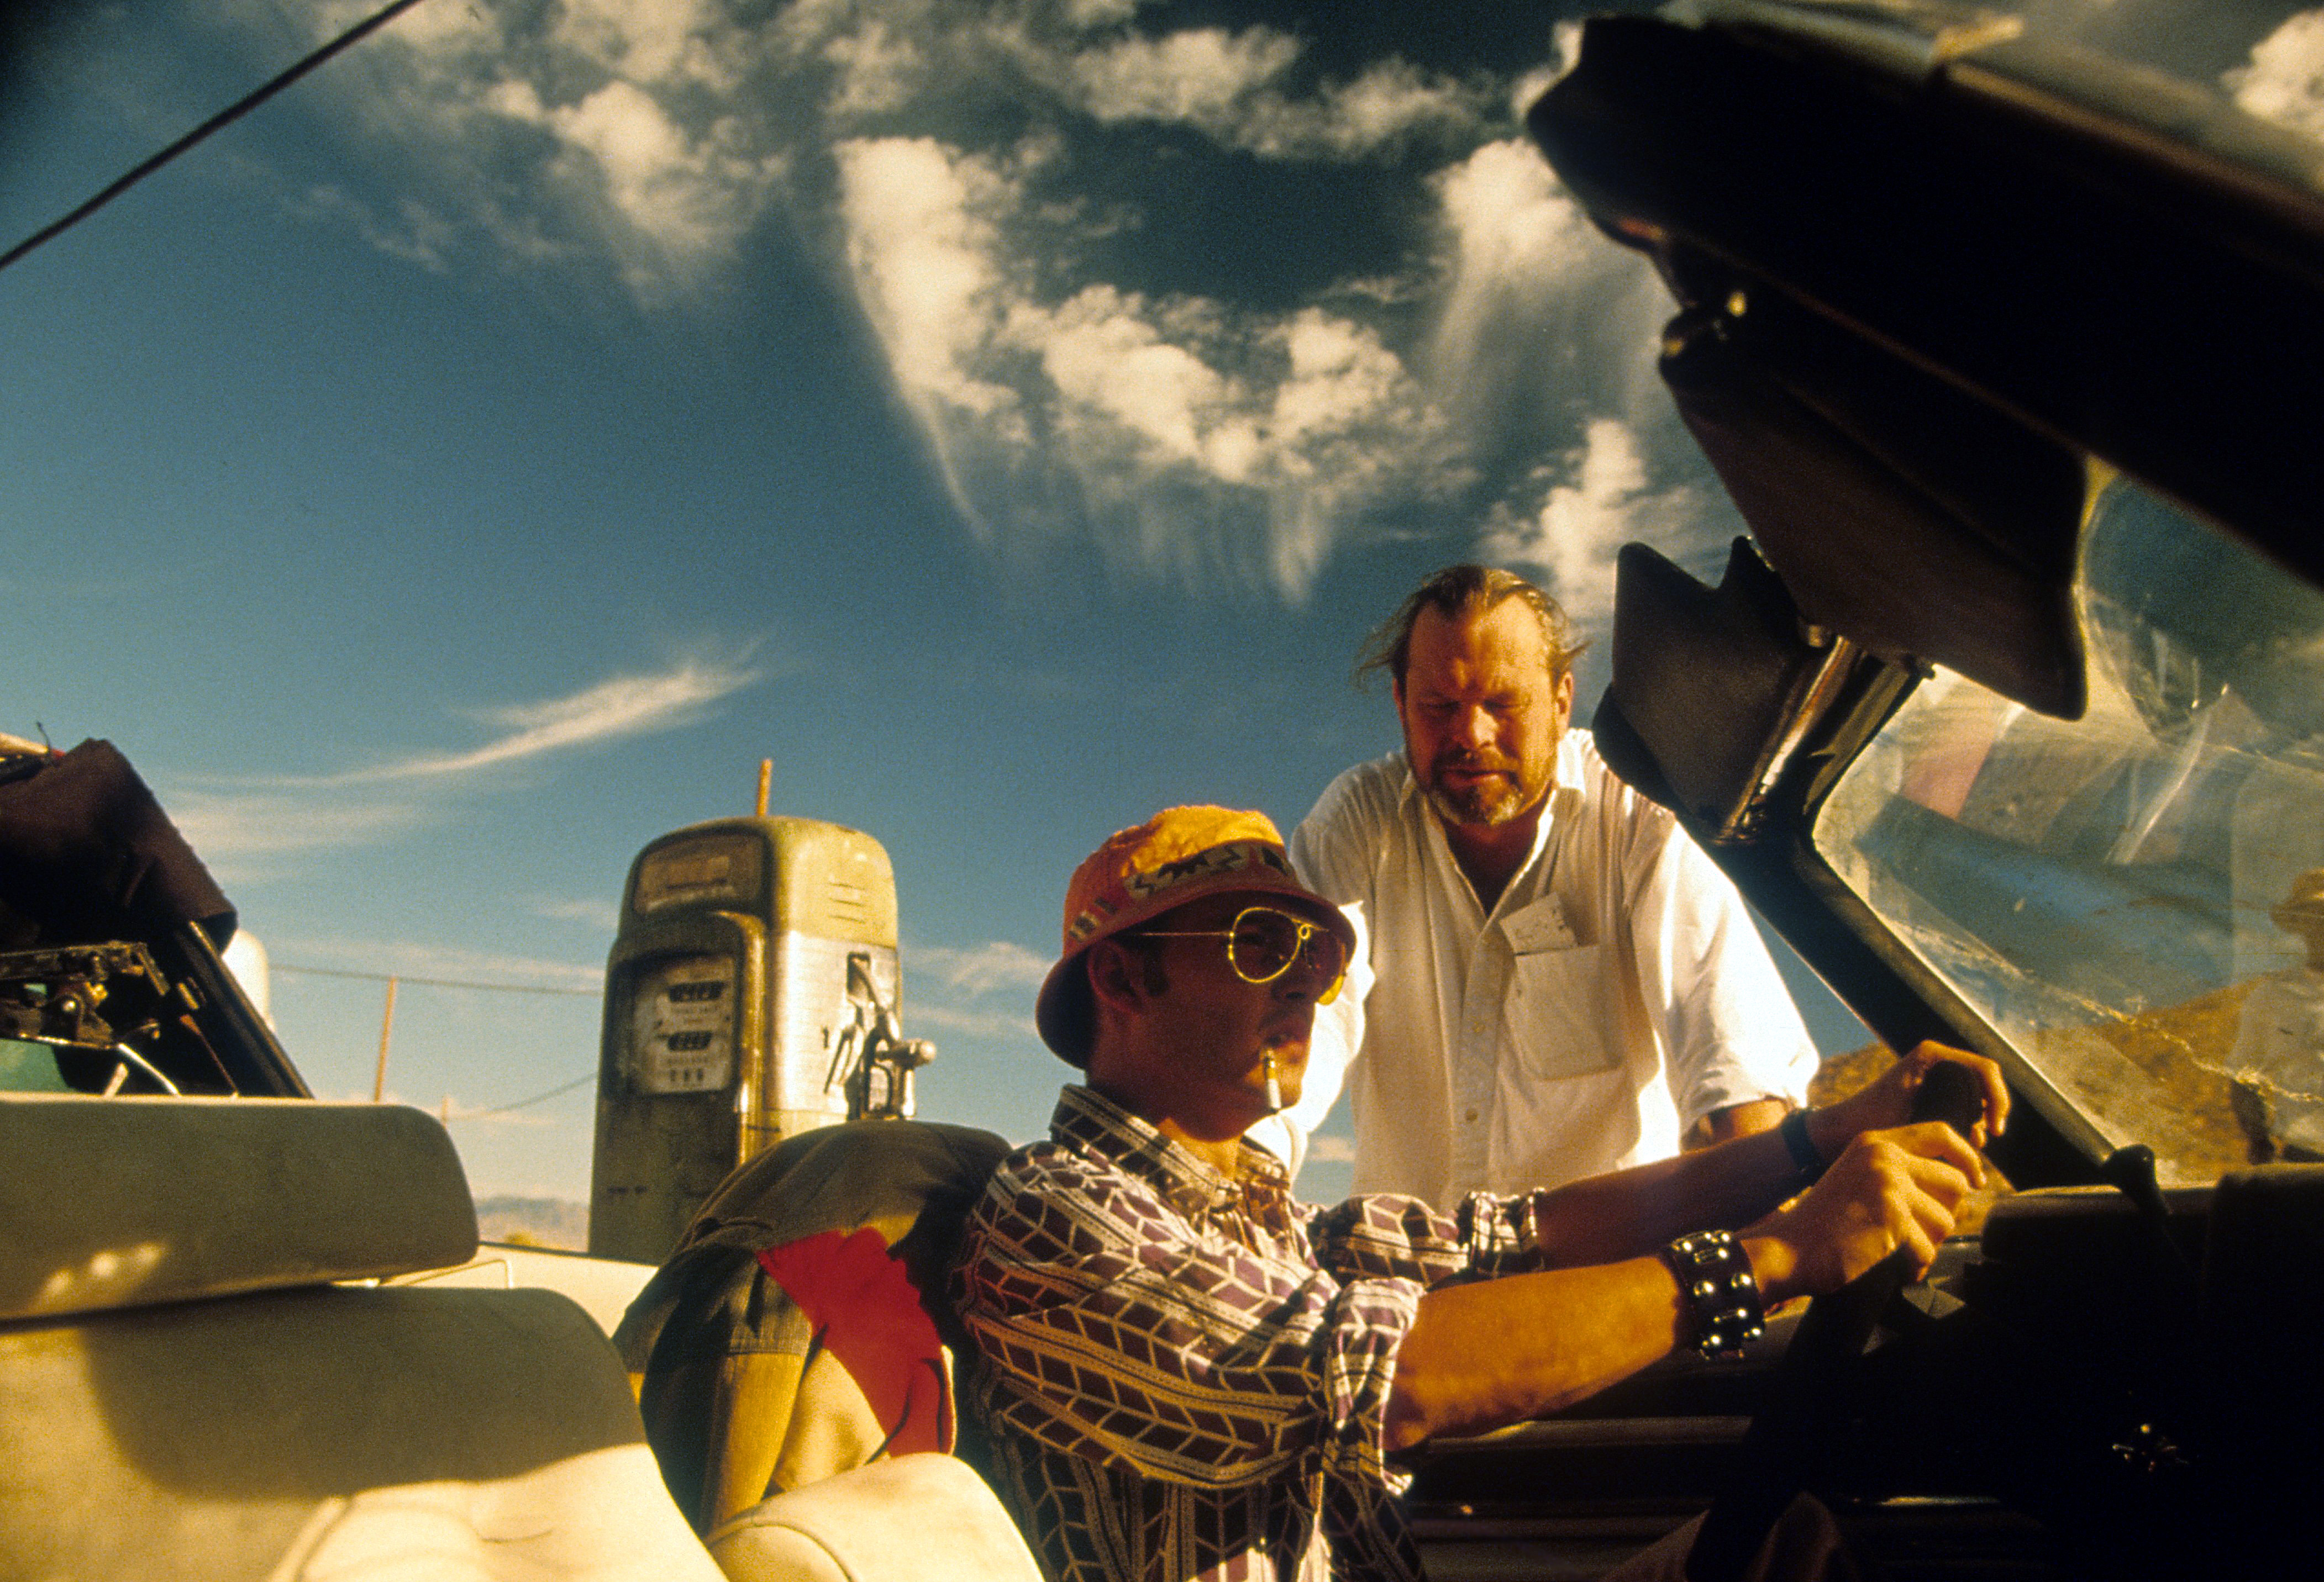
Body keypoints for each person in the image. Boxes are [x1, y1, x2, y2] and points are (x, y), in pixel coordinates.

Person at [954, 805, 2006, 1582]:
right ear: (1124, 980)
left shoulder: (1262, 1215)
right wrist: (1774, 1256)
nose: (1305, 986)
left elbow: (1526, 1233)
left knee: (1798, 1545)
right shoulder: (1057, 1212)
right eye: (1261, 944)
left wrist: (1813, 1137)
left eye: (1317, 955)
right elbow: (1395, 1374)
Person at [1263, 565, 1818, 1201]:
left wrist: (1770, 1236)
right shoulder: (1358, 821)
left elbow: (1733, 1062)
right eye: (1439, 707)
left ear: (1559, 703)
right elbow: (1296, 1026)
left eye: (1502, 703)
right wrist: (1240, 1180)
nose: (1471, 735)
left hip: (1615, 1283)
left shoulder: (1636, 813)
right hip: (1411, 1286)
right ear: (1399, 705)